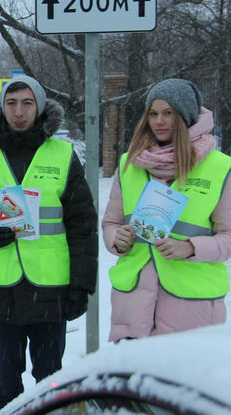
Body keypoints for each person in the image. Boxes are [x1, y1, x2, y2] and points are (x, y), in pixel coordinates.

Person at [0, 75, 98, 412]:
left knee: (50, 377)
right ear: (2, 109)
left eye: (27, 103)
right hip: (0, 286)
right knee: (6, 376)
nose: (19, 112)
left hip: (51, 285)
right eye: (11, 103)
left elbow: (82, 224)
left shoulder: (62, 155)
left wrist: (81, 284)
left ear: (40, 107)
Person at [102, 78, 231, 343]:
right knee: (133, 382)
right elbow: (110, 223)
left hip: (191, 306)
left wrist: (191, 247)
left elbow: (228, 236)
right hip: (133, 304)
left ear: (186, 116)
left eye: (168, 113)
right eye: (153, 113)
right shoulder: (129, 163)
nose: (159, 121)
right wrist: (116, 239)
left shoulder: (220, 167)